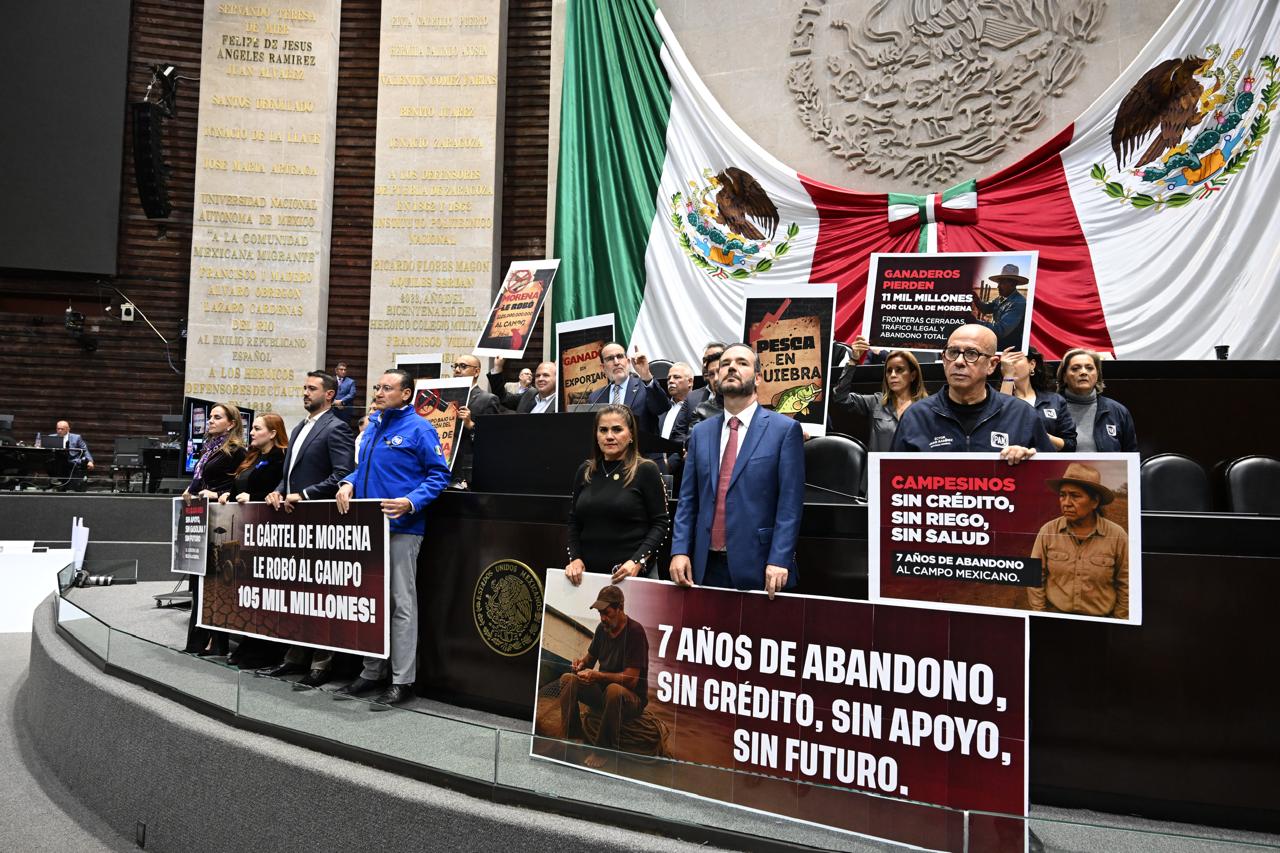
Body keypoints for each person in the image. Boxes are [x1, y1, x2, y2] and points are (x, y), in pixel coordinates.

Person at [333, 369, 452, 707]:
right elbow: (366, 467)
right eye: (378, 387)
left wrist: (411, 501)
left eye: (387, 388)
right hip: (368, 529)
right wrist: (349, 482)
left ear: (406, 394)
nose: (379, 392)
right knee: (371, 603)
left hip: (403, 528)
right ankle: (371, 672)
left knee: (401, 605)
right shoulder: (373, 425)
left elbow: (439, 475)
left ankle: (402, 680)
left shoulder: (420, 428)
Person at [669, 343, 804, 597]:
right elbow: (688, 500)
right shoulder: (700, 433)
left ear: (758, 378)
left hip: (761, 566)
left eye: (742, 363)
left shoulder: (784, 430)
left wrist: (779, 558)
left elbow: (790, 504)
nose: (731, 367)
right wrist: (680, 550)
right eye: (725, 364)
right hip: (704, 567)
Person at [261, 371, 355, 686]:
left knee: (321, 596)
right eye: (304, 387)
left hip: (321, 521)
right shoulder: (300, 427)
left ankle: (321, 664)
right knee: (297, 594)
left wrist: (305, 494)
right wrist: (277, 490)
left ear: (329, 395)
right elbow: (288, 475)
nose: (305, 392)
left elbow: (343, 474)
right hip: (292, 522)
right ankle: (294, 657)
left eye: (312, 388)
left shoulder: (337, 427)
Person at [892, 325, 1053, 462]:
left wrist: (1030, 460)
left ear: (992, 365)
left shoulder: (1021, 414)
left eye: (971, 354)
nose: (959, 362)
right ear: (944, 360)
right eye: (952, 352)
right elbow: (892, 477)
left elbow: (1050, 475)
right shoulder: (916, 416)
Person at [565, 405, 669, 586]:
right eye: (603, 430)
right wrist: (575, 558)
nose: (609, 436)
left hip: (630, 575)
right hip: (587, 577)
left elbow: (661, 524)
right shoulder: (585, 470)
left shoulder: (646, 469)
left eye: (617, 429)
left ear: (631, 435)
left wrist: (637, 561)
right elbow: (574, 521)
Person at [557, 584, 649, 769]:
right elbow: (589, 660)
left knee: (614, 691)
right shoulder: (602, 628)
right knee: (567, 680)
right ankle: (574, 737)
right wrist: (580, 664)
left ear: (620, 608)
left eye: (607, 613)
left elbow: (631, 680)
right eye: (600, 613)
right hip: (603, 693)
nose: (603, 618)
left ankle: (602, 751)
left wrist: (598, 676)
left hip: (631, 699)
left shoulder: (635, 632)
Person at [181, 403, 248, 657]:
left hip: (221, 521)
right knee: (201, 583)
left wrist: (216, 492)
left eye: (217, 417)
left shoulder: (236, 450)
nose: (210, 421)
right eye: (210, 416)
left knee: (217, 583)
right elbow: (202, 480)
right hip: (201, 519)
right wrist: (192, 489)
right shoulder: (210, 448)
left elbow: (237, 486)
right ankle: (198, 642)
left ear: (231, 424)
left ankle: (216, 642)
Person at [1028, 463, 1129, 619]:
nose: (1066, 503)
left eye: (1075, 496)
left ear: (1095, 502)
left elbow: (1126, 582)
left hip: (1101, 621)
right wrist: (1040, 615)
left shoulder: (1117, 535)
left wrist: (1119, 620)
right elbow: (1034, 577)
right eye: (1063, 495)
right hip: (1055, 617)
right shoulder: (1048, 531)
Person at [832, 338, 928, 452]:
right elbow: (840, 397)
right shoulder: (876, 401)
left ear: (913, 375)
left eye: (899, 370)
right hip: (879, 463)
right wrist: (853, 360)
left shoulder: (927, 407)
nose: (893, 375)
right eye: (889, 371)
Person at [1056, 348, 1138, 453]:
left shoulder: (1118, 411)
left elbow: (1131, 455)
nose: (1083, 372)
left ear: (1097, 375)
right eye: (1075, 368)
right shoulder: (1050, 408)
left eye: (1089, 368)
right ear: (1064, 376)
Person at [998, 347, 1077, 451]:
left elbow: (1070, 444)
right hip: (1010, 459)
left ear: (1032, 364)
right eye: (1006, 363)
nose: (1010, 365)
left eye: (1015, 359)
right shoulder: (993, 399)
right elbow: (998, 429)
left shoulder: (1055, 401)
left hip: (1047, 460)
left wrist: (1041, 435)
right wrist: (1008, 376)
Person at [586, 343, 670, 435]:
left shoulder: (646, 387)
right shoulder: (595, 397)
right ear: (603, 367)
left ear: (628, 361)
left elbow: (662, 408)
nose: (616, 362)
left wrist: (646, 375)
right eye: (610, 358)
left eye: (620, 356)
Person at [453, 354, 502, 482]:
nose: (457, 370)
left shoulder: (488, 399)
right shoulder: (447, 397)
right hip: (443, 466)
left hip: (468, 469)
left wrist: (470, 424)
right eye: (455, 366)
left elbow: (493, 439)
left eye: (463, 366)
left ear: (476, 372)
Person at [971, 263, 1028, 352]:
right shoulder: (1001, 298)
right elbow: (986, 309)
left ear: (1013, 284)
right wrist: (976, 298)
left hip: (1008, 349)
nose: (998, 286)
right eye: (999, 282)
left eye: (1002, 283)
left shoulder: (1018, 303)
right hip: (998, 343)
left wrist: (972, 321)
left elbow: (1000, 330)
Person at [489, 358, 558, 413]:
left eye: (546, 375)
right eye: (537, 376)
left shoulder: (560, 403)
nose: (540, 379)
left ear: (557, 378)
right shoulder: (530, 394)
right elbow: (503, 397)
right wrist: (498, 367)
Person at [684, 341, 726, 411]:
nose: (705, 365)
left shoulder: (739, 396)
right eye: (704, 360)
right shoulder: (691, 398)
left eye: (713, 359)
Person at [52, 420, 94, 490]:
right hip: (56, 460)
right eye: (58, 429)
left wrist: (90, 461)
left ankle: (65, 484)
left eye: (62, 429)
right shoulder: (52, 437)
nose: (59, 431)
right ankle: (57, 482)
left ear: (68, 429)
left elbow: (85, 450)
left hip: (72, 459)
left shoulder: (76, 437)